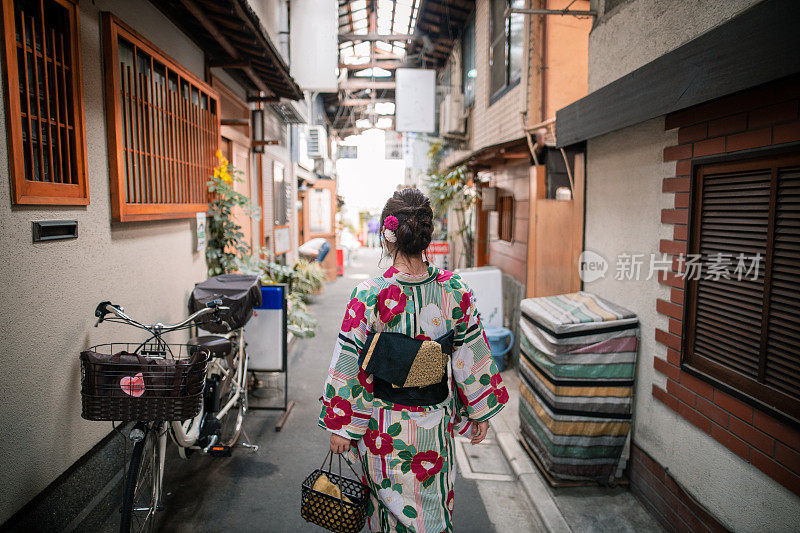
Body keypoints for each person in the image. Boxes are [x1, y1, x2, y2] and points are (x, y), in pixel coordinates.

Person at [318, 188, 508, 532]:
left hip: (382, 430)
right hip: (432, 428)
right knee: (431, 514)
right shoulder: (455, 290)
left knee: (386, 515)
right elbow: (470, 355)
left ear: (387, 237)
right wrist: (477, 411)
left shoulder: (370, 294)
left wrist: (343, 426)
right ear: (426, 235)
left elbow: (349, 363)